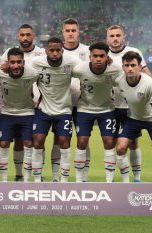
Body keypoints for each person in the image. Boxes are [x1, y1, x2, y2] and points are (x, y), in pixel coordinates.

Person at [107, 24, 152, 182]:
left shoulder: (133, 52)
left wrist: (151, 92)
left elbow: (147, 75)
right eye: (112, 36)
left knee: (133, 142)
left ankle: (137, 178)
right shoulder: (103, 55)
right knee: (112, 143)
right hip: (113, 106)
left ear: (123, 36)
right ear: (107, 38)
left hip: (130, 107)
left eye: (118, 35)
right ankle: (111, 178)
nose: (115, 38)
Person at [72, 41, 123, 182]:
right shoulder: (80, 69)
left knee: (108, 142)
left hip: (107, 109)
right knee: (81, 142)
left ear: (107, 57)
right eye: (95, 56)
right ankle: (80, 180)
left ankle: (109, 180)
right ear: (90, 57)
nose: (98, 59)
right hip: (84, 109)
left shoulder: (115, 69)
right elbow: (64, 73)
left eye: (102, 56)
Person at [32, 37, 80, 182]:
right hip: (43, 110)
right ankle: (36, 179)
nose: (54, 53)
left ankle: (60, 179)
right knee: (38, 141)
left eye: (57, 50)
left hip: (64, 110)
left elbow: (88, 69)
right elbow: (23, 72)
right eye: (51, 50)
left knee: (63, 142)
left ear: (62, 51)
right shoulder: (36, 63)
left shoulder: (71, 62)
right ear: (46, 51)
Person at [1, 24, 45, 182]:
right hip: (13, 106)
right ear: (17, 36)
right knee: (18, 142)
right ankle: (19, 174)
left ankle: (38, 173)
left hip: (36, 107)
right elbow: (0, 73)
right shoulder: (8, 53)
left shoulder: (41, 53)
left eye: (28, 35)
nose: (25, 38)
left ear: (33, 36)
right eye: (22, 35)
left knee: (37, 141)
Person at [116, 51, 152, 183]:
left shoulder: (149, 83)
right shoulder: (119, 81)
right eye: (126, 65)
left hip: (151, 120)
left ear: (140, 66)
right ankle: (127, 182)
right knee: (120, 148)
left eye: (133, 65)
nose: (130, 68)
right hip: (132, 119)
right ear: (123, 67)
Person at [0, 48, 39, 182]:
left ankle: (25, 178)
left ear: (23, 62)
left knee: (28, 143)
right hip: (7, 113)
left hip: (27, 113)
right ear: (8, 63)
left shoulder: (32, 73)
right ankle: (3, 180)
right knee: (4, 143)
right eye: (12, 62)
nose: (16, 65)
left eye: (19, 62)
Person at [62, 18, 91, 182]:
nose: (71, 33)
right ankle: (59, 177)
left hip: (83, 104)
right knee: (61, 140)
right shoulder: (56, 51)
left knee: (83, 140)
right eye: (68, 31)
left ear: (78, 32)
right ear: (63, 33)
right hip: (62, 104)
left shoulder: (88, 51)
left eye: (73, 30)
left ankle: (83, 178)